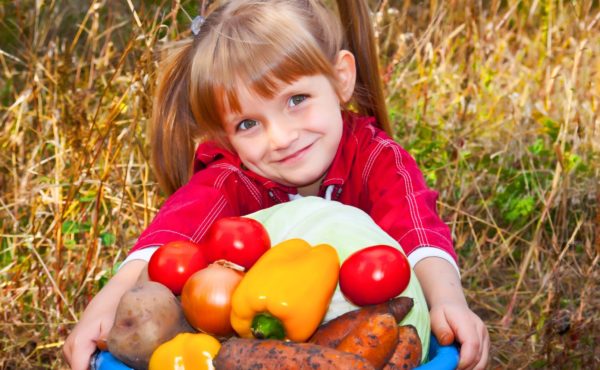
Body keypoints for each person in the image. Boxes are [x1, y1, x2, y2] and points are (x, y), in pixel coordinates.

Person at [63, 0, 489, 369]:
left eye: (296, 100)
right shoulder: (230, 178)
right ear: (225, 136)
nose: (281, 138)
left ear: (341, 78)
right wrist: (112, 297)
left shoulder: (377, 158)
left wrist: (448, 301)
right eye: (248, 123)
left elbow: (417, 230)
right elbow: (172, 233)